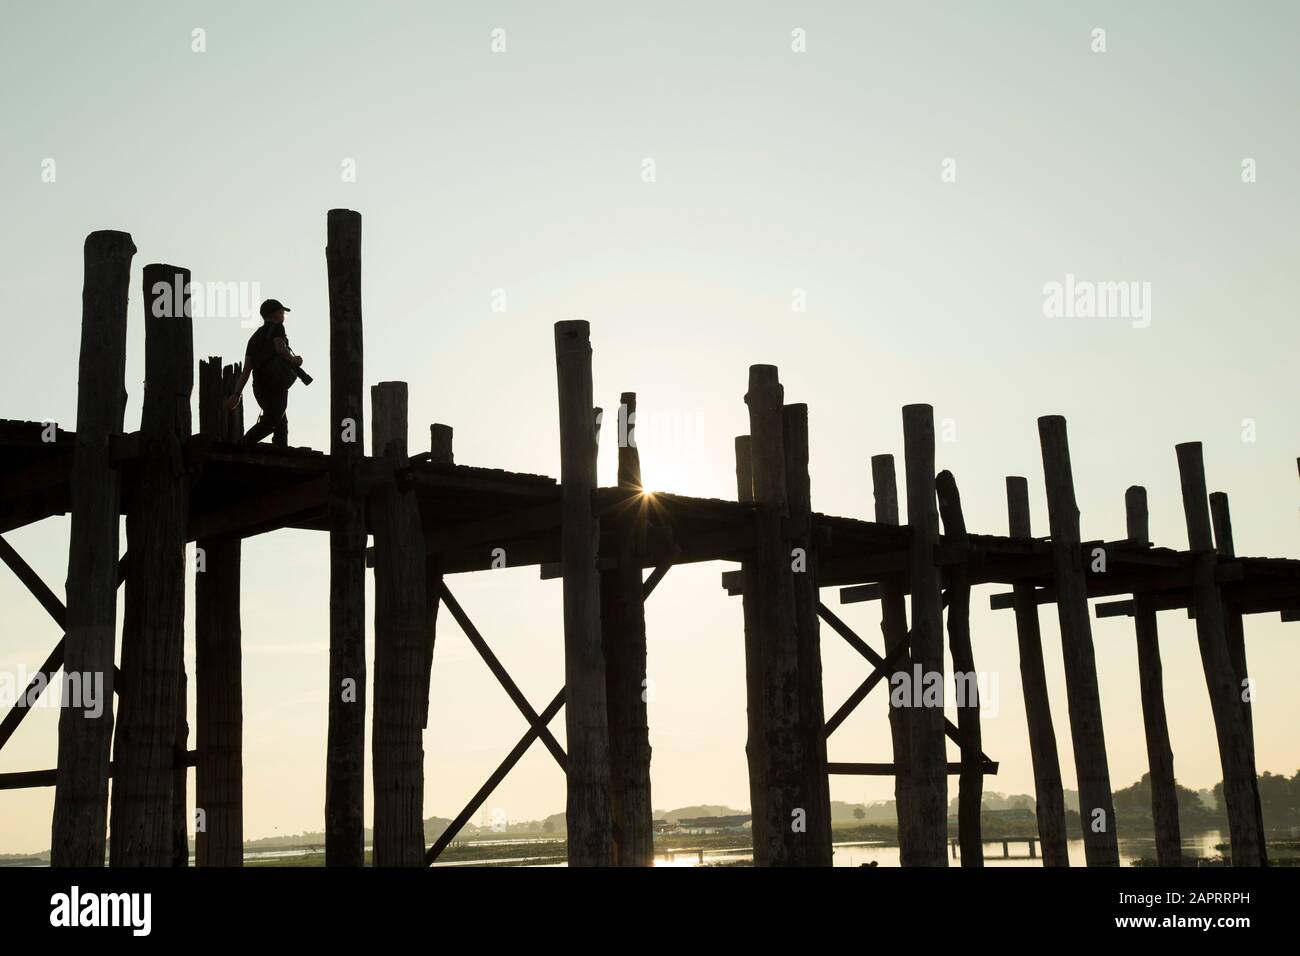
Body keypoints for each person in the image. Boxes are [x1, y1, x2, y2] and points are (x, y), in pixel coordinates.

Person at [225, 298, 304, 446]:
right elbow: (280, 348)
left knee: (280, 421)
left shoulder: (254, 338)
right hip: (276, 384)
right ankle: (244, 445)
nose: (283, 316)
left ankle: (280, 450)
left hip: (259, 387)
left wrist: (236, 394)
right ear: (274, 314)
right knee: (272, 420)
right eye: (282, 312)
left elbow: (246, 370)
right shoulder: (278, 328)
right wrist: (295, 360)